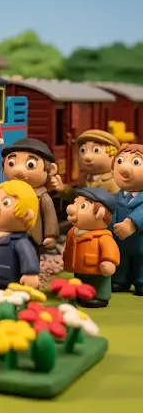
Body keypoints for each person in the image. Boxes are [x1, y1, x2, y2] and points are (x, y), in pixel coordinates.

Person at [0, 137, 59, 255]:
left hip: (30, 238)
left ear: (51, 169)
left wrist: (50, 235)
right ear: (3, 166)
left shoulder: (43, 198)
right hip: (6, 233)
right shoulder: (6, 190)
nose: (18, 170)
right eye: (11, 163)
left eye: (30, 164)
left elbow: (50, 217)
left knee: (28, 259)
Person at [63, 187, 120, 308]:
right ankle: (81, 294)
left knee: (97, 284)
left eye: (82, 206)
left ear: (101, 213)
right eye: (75, 203)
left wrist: (109, 262)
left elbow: (111, 251)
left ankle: (99, 297)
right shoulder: (73, 233)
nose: (72, 208)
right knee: (80, 282)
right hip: (79, 267)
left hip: (95, 270)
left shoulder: (103, 237)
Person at [109, 144, 143, 295]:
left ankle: (141, 281)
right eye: (120, 161)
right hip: (119, 243)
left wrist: (132, 223)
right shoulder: (115, 198)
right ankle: (120, 280)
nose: (124, 168)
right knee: (121, 260)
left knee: (141, 262)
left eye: (136, 162)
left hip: (140, 241)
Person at [51, 129, 120, 197]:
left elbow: (118, 201)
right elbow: (77, 196)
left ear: (113, 154)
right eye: (83, 150)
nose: (86, 156)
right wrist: (63, 189)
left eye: (96, 150)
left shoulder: (113, 182)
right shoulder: (85, 179)